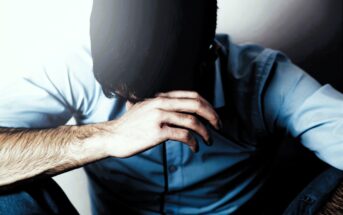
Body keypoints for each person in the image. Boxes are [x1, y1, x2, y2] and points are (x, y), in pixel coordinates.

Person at [0, 0, 342, 214]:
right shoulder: (76, 67)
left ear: (207, 58)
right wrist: (105, 137)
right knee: (10, 187)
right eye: (120, 93)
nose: (143, 113)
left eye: (158, 96)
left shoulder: (263, 78)